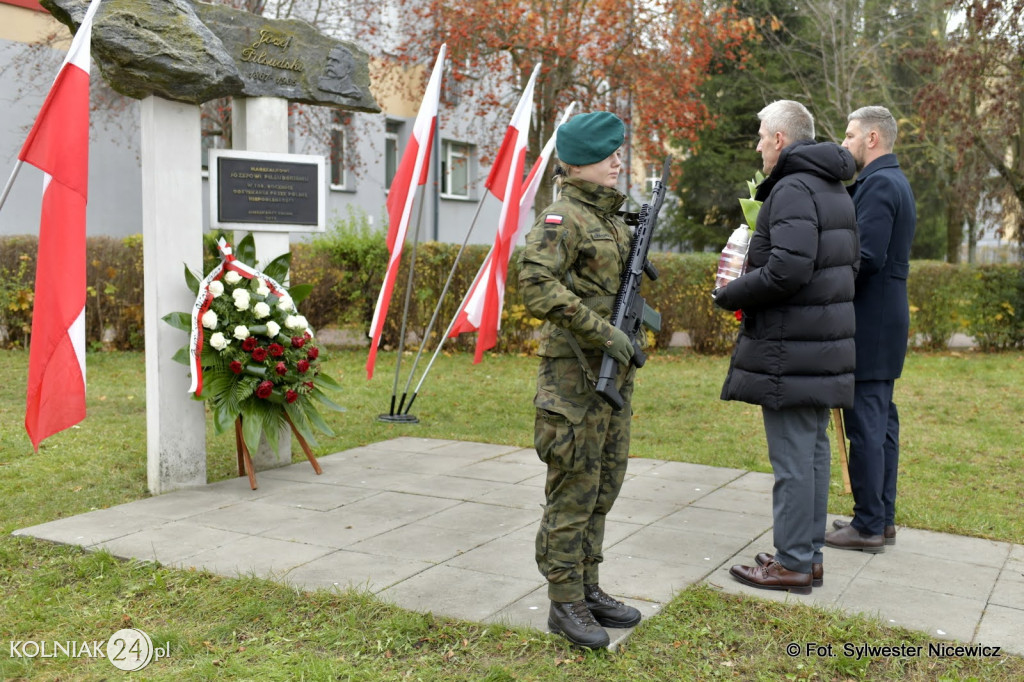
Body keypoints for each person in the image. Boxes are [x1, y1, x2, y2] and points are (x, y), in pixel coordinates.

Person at [714, 100, 858, 594]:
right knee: (812, 452)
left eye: (760, 136)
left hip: (792, 348)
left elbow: (789, 270)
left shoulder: (794, 186)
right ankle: (806, 555)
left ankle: (793, 562)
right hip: (817, 345)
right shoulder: (831, 185)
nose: (757, 145)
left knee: (795, 459)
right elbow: (845, 264)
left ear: (779, 138)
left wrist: (731, 293)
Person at [518, 111, 643, 649]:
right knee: (573, 488)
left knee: (604, 485)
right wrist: (602, 332)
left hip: (611, 378)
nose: (618, 161)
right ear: (581, 162)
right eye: (608, 154)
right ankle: (563, 601)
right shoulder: (561, 218)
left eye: (618, 153)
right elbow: (536, 285)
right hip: (573, 378)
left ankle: (589, 586)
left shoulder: (610, 216)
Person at [825, 106, 916, 553]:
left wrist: (828, 280)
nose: (845, 144)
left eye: (849, 135)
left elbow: (870, 255)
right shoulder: (892, 180)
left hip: (872, 322)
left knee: (868, 425)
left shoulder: (880, 183)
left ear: (873, 138)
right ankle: (882, 519)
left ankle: (868, 525)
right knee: (881, 425)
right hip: (883, 319)